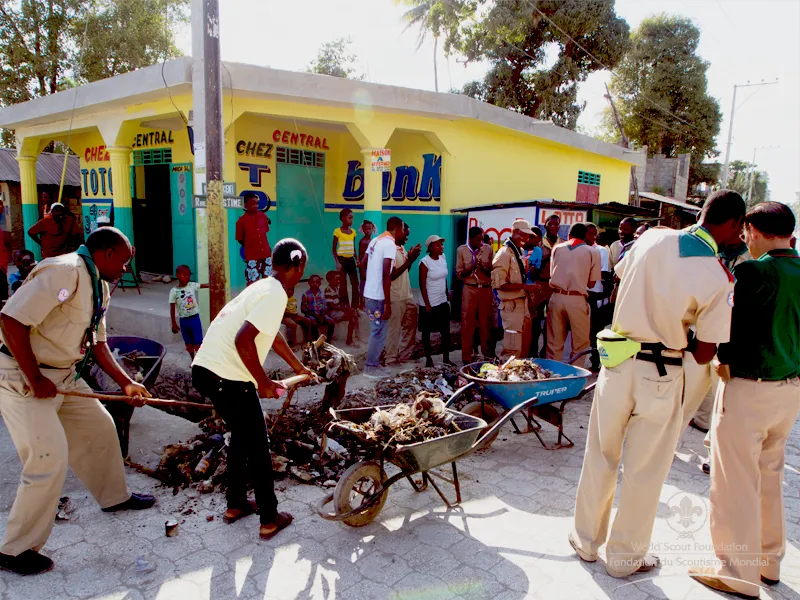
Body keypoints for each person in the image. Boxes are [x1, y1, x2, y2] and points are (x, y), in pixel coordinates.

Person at [569, 190, 745, 579]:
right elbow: (703, 354)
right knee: (645, 470)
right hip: (661, 375)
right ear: (732, 224)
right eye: (740, 229)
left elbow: (619, 281)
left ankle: (585, 542)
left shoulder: (651, 238)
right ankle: (624, 559)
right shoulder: (718, 276)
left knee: (600, 454)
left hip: (616, 364)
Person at [0, 227, 155, 576]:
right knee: (48, 456)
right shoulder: (63, 271)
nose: (127, 269)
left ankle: (114, 497)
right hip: (23, 377)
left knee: (100, 427)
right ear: (107, 253)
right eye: (125, 260)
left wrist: (127, 383)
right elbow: (11, 319)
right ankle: (14, 549)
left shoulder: (98, 285)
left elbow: (98, 343)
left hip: (63, 375)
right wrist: (34, 377)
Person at [688, 202, 800, 598]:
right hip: (789, 390)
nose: (744, 239)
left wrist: (720, 358)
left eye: (746, 233)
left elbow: (729, 327)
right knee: (770, 477)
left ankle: (737, 573)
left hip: (749, 387)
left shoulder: (753, 269)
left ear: (753, 230)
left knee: (734, 482)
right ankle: (769, 564)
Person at [192, 239, 315, 541]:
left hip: (205, 371)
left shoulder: (262, 287)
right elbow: (243, 341)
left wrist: (299, 368)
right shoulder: (275, 295)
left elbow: (272, 337)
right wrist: (263, 383)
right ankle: (269, 519)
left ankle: (235, 504)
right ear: (297, 266)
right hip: (228, 377)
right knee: (259, 447)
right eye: (303, 267)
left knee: (241, 438)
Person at [682, 235, 753, 437]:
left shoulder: (752, 258)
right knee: (685, 395)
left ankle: (713, 452)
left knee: (722, 400)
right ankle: (666, 446)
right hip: (701, 334)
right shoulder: (709, 254)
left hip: (730, 337)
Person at [546, 223, 600, 362]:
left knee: (554, 343)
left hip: (556, 297)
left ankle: (553, 377)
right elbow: (592, 283)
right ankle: (575, 377)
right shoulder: (592, 251)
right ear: (585, 236)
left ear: (569, 235)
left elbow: (552, 273)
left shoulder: (557, 248)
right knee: (580, 345)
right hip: (577, 299)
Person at [362, 217, 405, 378]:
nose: (402, 232)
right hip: (378, 297)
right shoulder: (389, 244)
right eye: (402, 229)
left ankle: (373, 364)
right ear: (396, 229)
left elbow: (363, 264)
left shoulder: (375, 241)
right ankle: (371, 367)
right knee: (378, 332)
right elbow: (386, 274)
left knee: (377, 330)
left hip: (370, 294)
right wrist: (387, 302)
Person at [492, 219, 537, 359]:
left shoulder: (518, 251)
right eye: (524, 234)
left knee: (524, 348)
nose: (526, 238)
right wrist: (525, 286)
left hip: (522, 304)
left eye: (528, 236)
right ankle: (506, 379)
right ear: (515, 232)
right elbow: (499, 284)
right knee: (512, 350)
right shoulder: (504, 253)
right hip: (511, 306)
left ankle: (519, 379)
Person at [456, 226, 494, 363]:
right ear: (470, 239)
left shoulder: (488, 249)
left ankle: (487, 356)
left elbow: (493, 271)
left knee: (485, 324)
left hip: (485, 288)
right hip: (469, 288)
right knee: (467, 323)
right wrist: (472, 267)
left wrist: (483, 267)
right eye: (478, 240)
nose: (481, 242)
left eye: (482, 239)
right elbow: (459, 274)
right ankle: (467, 357)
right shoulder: (461, 250)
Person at [385, 224, 421, 365]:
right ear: (397, 232)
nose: (407, 237)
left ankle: (406, 354)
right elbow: (392, 275)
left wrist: (411, 258)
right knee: (394, 329)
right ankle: (391, 358)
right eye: (405, 234)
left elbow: (405, 269)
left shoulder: (402, 248)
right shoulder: (390, 250)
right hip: (396, 296)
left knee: (410, 325)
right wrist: (410, 260)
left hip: (407, 295)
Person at [419, 234, 453, 367]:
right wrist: (427, 304)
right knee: (426, 332)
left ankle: (446, 358)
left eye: (442, 244)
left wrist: (446, 293)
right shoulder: (424, 262)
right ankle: (429, 359)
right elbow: (422, 284)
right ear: (431, 247)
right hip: (429, 302)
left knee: (445, 331)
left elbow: (443, 278)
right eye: (438, 245)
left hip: (442, 300)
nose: (441, 247)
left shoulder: (443, 258)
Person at [169, 265, 209, 360]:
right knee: (188, 342)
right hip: (184, 320)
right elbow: (172, 307)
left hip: (194, 318)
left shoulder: (192, 285)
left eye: (188, 275)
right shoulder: (174, 292)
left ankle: (199, 361)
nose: (187, 277)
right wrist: (174, 323)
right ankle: (193, 359)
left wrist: (215, 282)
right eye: (184, 275)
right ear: (177, 275)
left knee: (198, 341)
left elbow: (204, 285)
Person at [586, 224, 612, 371]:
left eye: (594, 234)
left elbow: (605, 275)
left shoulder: (601, 251)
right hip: (582, 296)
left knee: (596, 331)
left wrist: (602, 295)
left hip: (596, 297)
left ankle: (595, 361)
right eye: (589, 234)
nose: (592, 237)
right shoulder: (579, 250)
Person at [235, 192, 272, 286]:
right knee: (253, 284)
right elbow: (240, 239)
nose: (255, 206)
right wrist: (250, 245)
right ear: (245, 205)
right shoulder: (241, 221)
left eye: (256, 204)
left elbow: (265, 232)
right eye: (252, 204)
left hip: (266, 254)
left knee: (268, 282)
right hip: (252, 256)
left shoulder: (263, 216)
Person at [332, 208, 359, 308]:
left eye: (352, 218)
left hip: (351, 260)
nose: (351, 220)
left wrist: (357, 259)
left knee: (355, 284)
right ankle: (345, 305)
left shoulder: (353, 232)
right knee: (343, 284)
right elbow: (334, 249)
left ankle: (354, 306)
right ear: (343, 218)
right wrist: (337, 262)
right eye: (349, 218)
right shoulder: (337, 231)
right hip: (341, 260)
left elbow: (353, 247)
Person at [324, 271, 356, 345]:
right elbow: (331, 306)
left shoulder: (336, 288)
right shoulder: (328, 291)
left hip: (336, 311)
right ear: (329, 280)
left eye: (339, 279)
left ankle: (350, 339)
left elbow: (337, 302)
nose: (338, 281)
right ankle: (349, 340)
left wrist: (345, 307)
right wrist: (343, 309)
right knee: (352, 318)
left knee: (353, 313)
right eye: (336, 279)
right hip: (331, 313)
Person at [301, 274, 336, 341]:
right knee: (313, 322)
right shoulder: (306, 295)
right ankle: (315, 341)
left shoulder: (322, 294)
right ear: (309, 283)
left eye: (317, 282)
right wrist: (315, 315)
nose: (315, 284)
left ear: (320, 283)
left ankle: (328, 341)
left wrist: (322, 316)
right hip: (310, 314)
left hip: (320, 314)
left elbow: (324, 306)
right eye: (313, 282)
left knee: (331, 322)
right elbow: (303, 309)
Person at [357, 220, 375, 309]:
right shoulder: (363, 242)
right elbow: (361, 257)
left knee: (367, 286)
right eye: (366, 229)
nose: (368, 231)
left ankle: (365, 304)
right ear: (363, 230)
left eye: (370, 229)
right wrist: (362, 270)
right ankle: (362, 304)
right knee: (363, 286)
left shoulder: (371, 241)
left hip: (370, 268)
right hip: (365, 268)